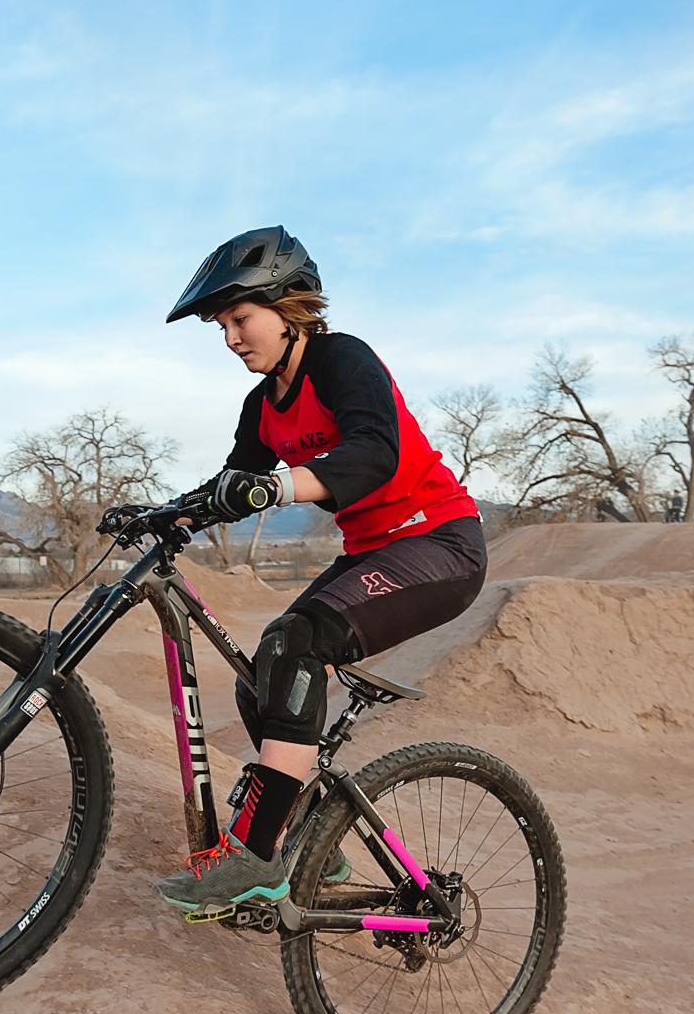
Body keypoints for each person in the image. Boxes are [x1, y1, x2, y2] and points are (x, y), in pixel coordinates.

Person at [153, 226, 488, 913]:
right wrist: (166, 515)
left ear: (288, 306)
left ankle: (256, 856)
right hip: (372, 551)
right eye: (222, 327)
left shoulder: (343, 361)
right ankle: (311, 837)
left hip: (441, 544)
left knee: (295, 643)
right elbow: (235, 482)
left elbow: (376, 456)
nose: (231, 339)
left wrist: (277, 489)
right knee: (260, 684)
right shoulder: (262, 404)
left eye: (240, 320)